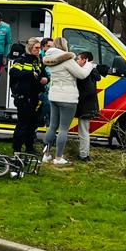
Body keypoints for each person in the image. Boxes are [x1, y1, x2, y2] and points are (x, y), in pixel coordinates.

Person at [41, 37, 95, 165]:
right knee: (63, 129)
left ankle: (46, 154)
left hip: (54, 95)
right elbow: (81, 74)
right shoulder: (67, 59)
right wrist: (89, 65)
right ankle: (58, 158)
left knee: (52, 126)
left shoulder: (49, 59)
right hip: (67, 97)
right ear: (64, 46)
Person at [9, 38, 47, 155]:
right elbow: (13, 72)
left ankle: (30, 148)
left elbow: (43, 74)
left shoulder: (38, 61)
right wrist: (30, 74)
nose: (38, 50)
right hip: (23, 98)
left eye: (39, 48)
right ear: (30, 48)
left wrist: (45, 79)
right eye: (36, 48)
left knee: (32, 125)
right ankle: (17, 150)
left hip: (35, 97)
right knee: (22, 125)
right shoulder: (21, 60)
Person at [74, 50, 102, 162]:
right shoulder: (92, 71)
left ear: (85, 60)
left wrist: (76, 96)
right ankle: (84, 154)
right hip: (89, 105)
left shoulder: (86, 73)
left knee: (83, 131)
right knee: (84, 130)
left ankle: (84, 155)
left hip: (85, 106)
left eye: (78, 59)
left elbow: (89, 90)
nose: (76, 61)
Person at [38, 37, 53, 126]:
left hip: (50, 89)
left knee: (51, 112)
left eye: (53, 46)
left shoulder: (53, 59)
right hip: (40, 89)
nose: (51, 48)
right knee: (46, 106)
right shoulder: (38, 58)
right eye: (48, 46)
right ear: (43, 47)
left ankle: (50, 137)